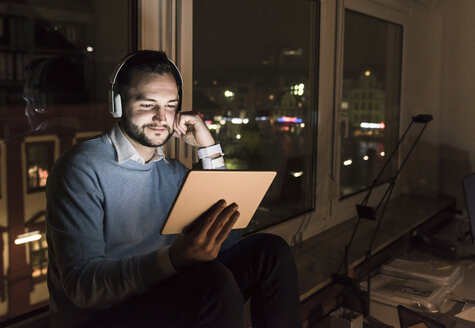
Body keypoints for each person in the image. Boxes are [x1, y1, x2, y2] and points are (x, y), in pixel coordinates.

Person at [46, 50, 302, 328]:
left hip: (161, 295)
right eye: (147, 104)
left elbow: (227, 242)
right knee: (212, 283)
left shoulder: (174, 172)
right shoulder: (80, 168)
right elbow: (83, 287)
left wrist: (209, 151)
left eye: (170, 105)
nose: (161, 117)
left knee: (270, 251)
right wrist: (173, 259)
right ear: (117, 105)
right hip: (101, 317)